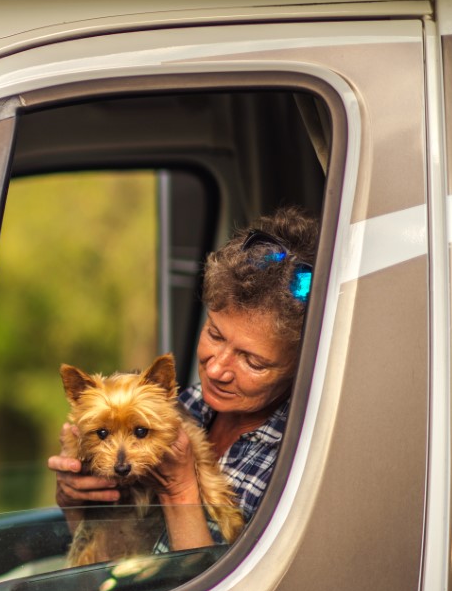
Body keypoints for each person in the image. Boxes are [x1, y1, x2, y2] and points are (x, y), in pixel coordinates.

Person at [47, 207, 317, 552]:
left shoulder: (299, 458)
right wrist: (77, 501)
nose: (217, 369)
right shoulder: (185, 405)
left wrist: (180, 491)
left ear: (302, 363)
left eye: (252, 360)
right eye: (215, 335)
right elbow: (105, 555)